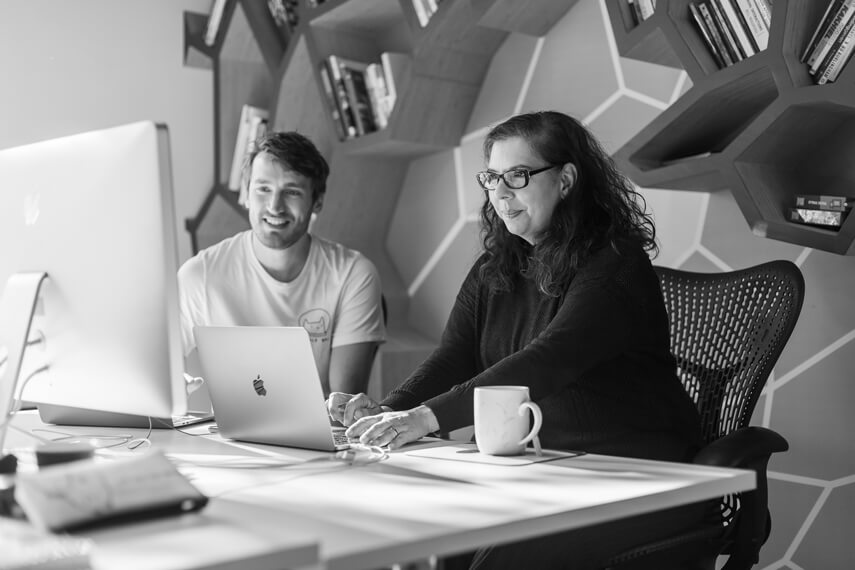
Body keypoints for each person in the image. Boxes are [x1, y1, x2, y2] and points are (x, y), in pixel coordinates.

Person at [327, 111, 705, 569]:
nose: (500, 194)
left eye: (518, 176)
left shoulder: (616, 264)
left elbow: (547, 360)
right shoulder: (497, 266)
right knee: (431, 535)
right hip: (543, 469)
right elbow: (454, 357)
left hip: (636, 476)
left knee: (497, 556)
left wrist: (424, 419)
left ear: (566, 179)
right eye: (492, 178)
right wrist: (390, 413)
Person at [179, 131, 385, 397]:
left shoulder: (353, 274)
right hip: (227, 436)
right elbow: (157, 368)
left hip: (320, 436)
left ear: (317, 201)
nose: (275, 206)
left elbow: (343, 405)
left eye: (292, 192)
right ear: (246, 194)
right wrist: (174, 385)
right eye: (263, 189)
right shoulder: (199, 275)